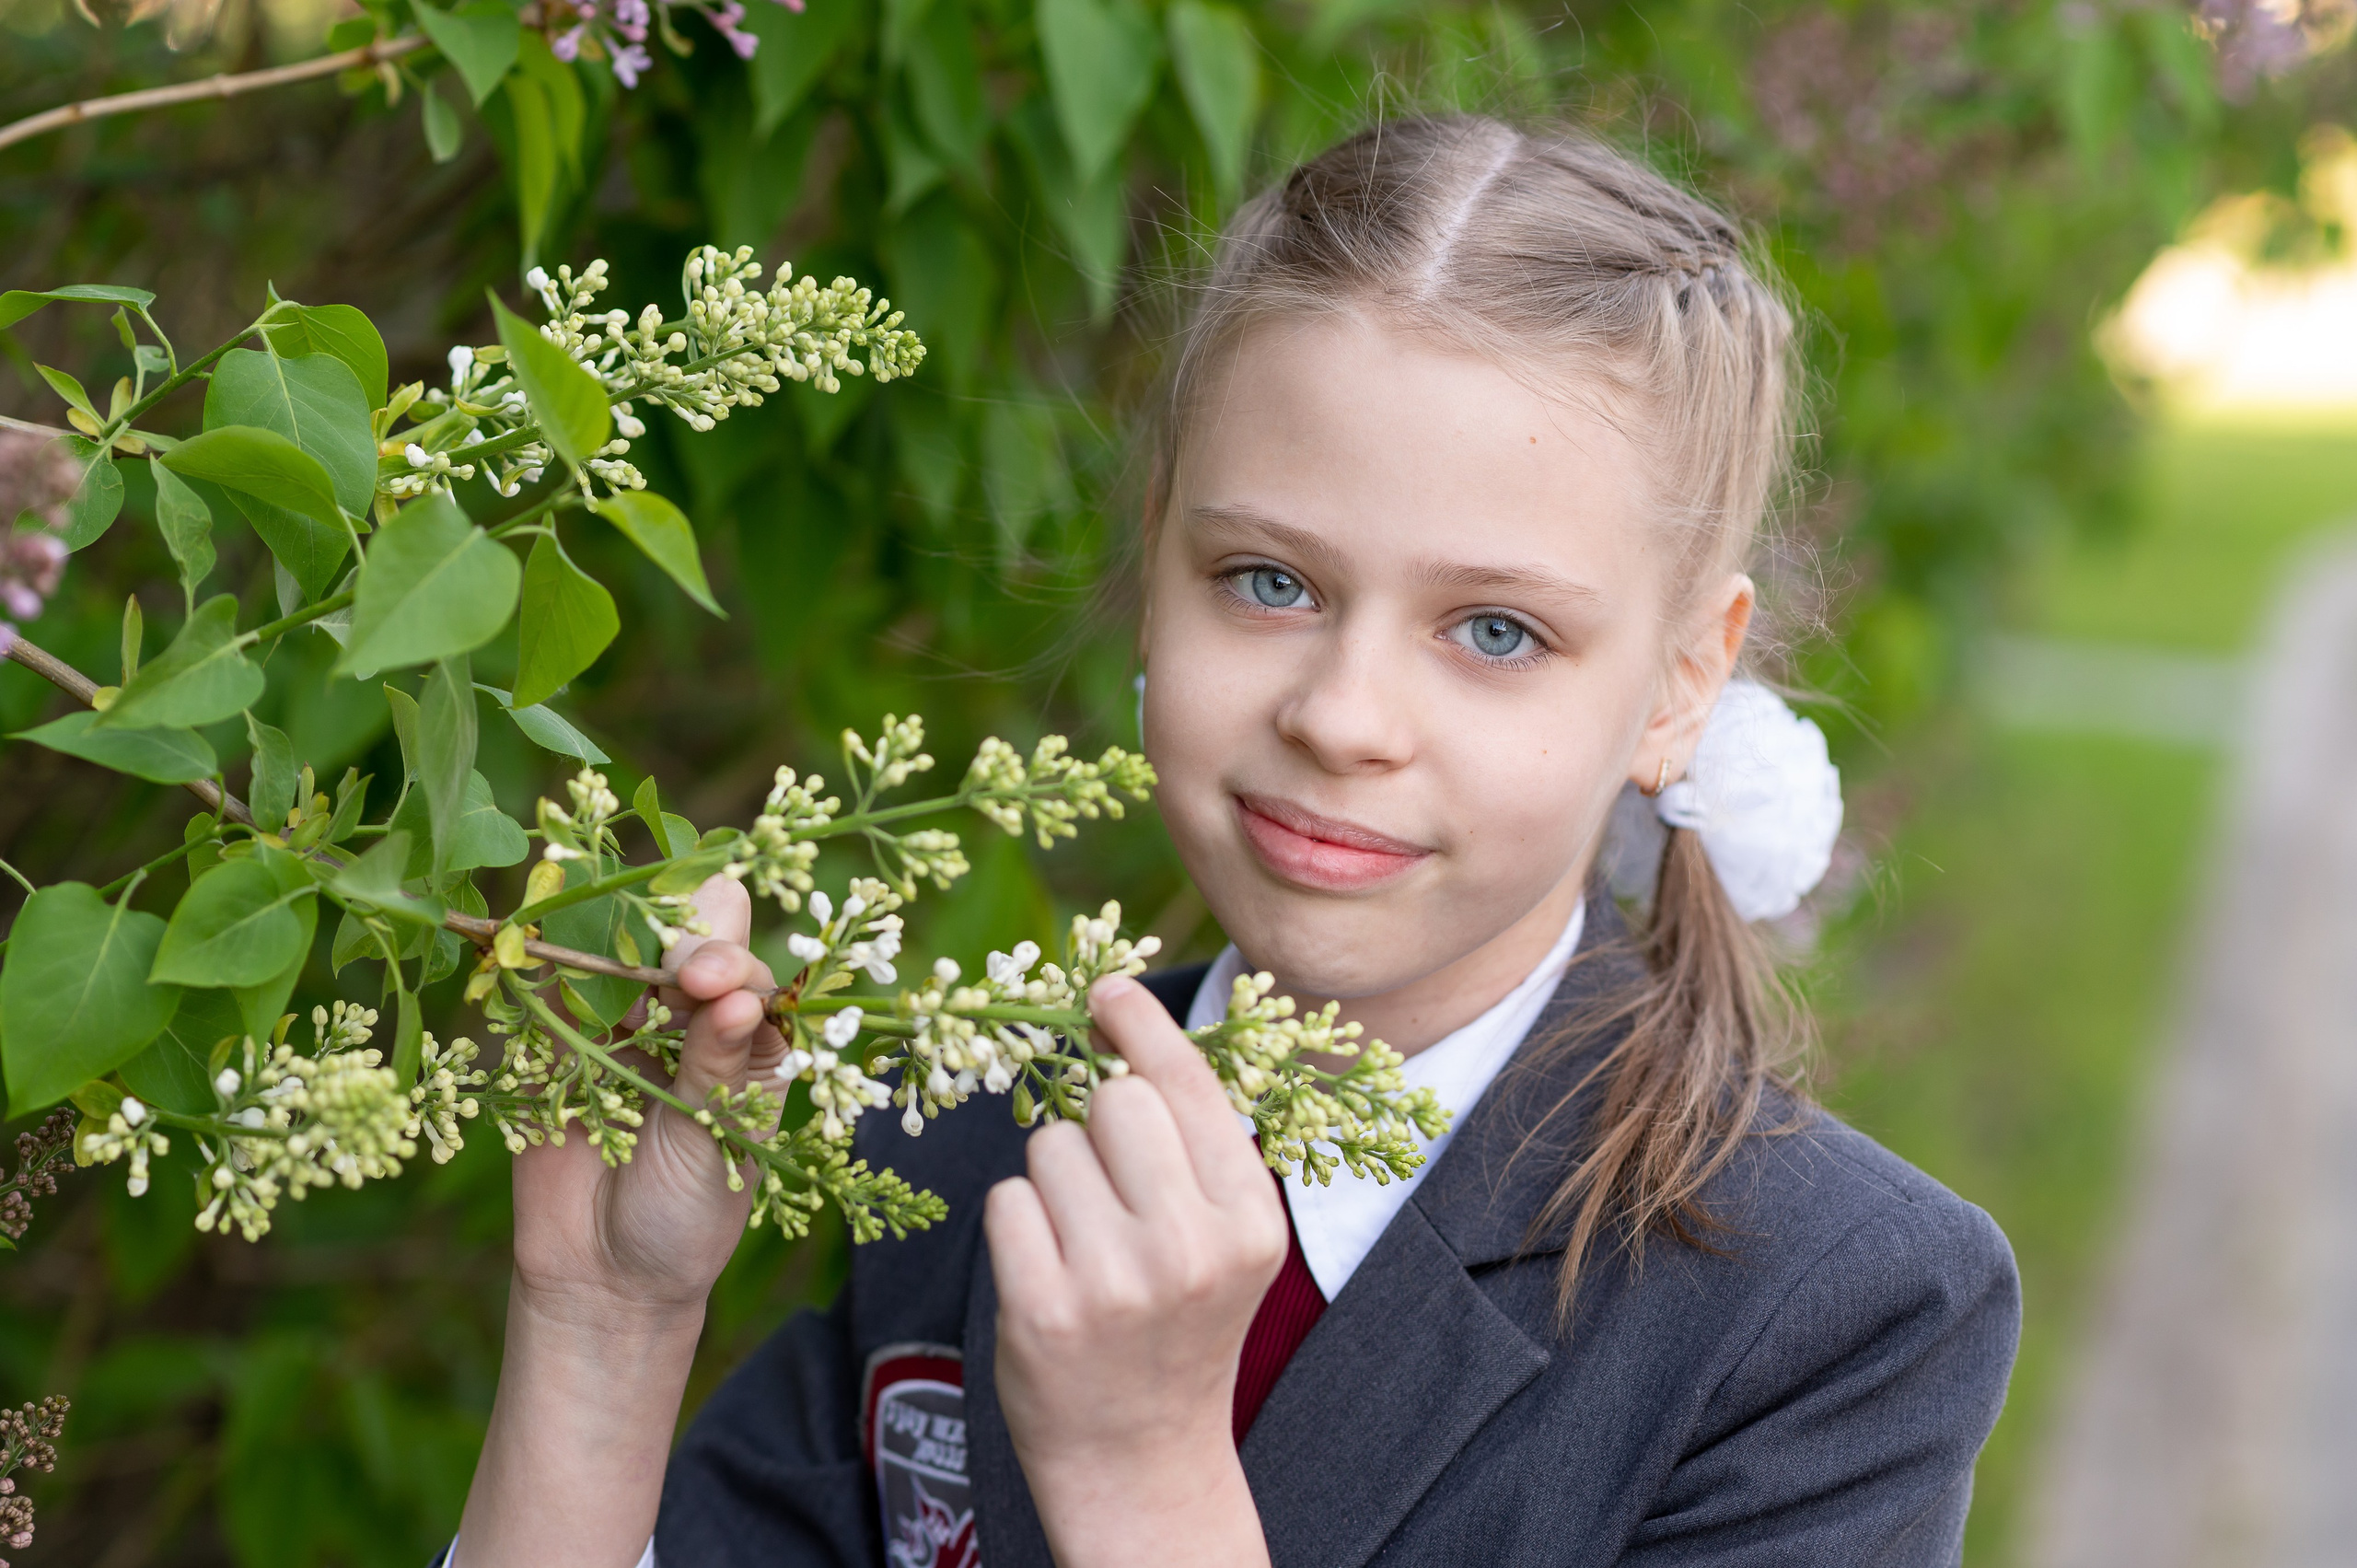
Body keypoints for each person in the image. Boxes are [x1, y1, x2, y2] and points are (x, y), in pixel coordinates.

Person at [447, 115, 2019, 1568]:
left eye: (1493, 629)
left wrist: (1143, 1480)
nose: (1343, 715)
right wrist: (605, 1326)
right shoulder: (962, 1132)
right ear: (1158, 564)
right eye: (1270, 581)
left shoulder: (1831, 1319)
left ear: (1682, 682)